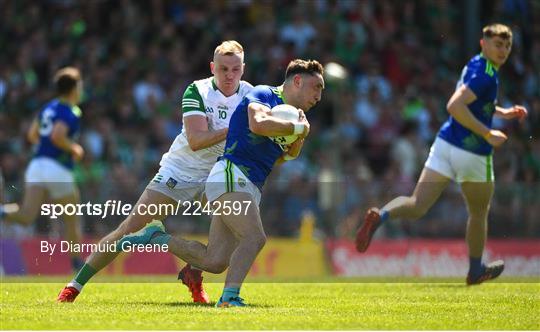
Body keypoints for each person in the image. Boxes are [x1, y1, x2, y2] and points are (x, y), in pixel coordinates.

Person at [56, 40, 253, 303]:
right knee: (129, 228)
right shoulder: (197, 90)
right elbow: (196, 140)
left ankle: (193, 274)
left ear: (243, 69)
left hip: (220, 175)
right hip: (181, 170)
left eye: (235, 69)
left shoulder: (251, 94)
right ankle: (74, 286)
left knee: (221, 254)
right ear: (212, 67)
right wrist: (235, 130)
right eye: (223, 69)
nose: (229, 75)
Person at [118, 59, 324, 307]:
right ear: (298, 81)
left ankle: (154, 237)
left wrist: (299, 134)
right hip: (230, 175)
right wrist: (296, 127)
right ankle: (229, 298)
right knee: (254, 238)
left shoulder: (293, 115)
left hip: (249, 184)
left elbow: (285, 156)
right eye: (316, 87)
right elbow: (257, 124)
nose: (319, 96)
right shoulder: (264, 93)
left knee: (214, 261)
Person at [355, 24, 528, 285]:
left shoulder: (476, 64)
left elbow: (476, 102)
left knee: (416, 204)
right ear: (484, 43)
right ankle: (475, 269)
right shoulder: (487, 75)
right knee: (479, 212)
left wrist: (503, 113)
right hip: (472, 153)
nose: (502, 50)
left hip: (445, 144)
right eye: (497, 44)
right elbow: (454, 105)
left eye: (506, 46)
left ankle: (381, 215)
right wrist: (487, 133)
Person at [1, 67, 85, 270]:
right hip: (57, 168)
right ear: (74, 88)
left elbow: (32, 135)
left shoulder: (47, 108)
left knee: (26, 214)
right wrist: (74, 147)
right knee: (72, 217)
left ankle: (1, 211)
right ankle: (76, 263)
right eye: (80, 85)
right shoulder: (71, 111)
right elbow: (57, 135)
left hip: (37, 165)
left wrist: (46, 148)